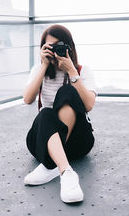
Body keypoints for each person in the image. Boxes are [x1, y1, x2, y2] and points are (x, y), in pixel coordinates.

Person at [23, 24, 97, 203]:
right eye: (50, 47)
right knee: (45, 113)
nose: (55, 51)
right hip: (44, 139)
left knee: (67, 92)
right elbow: (27, 99)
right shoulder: (37, 70)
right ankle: (66, 172)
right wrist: (43, 66)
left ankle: (51, 166)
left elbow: (88, 105)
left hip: (76, 141)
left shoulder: (82, 70)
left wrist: (71, 71)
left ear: (69, 47)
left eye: (59, 46)